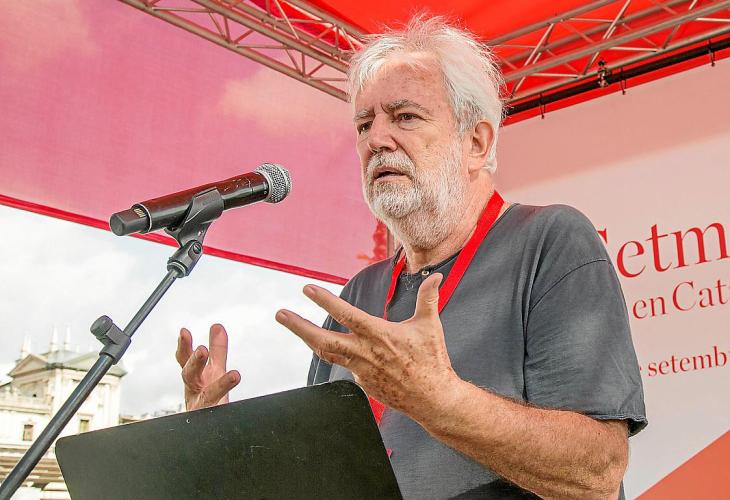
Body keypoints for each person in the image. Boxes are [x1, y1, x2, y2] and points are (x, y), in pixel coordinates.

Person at [175, 15, 647, 499]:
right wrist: (223, 446)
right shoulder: (358, 293)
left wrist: (438, 401)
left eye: (404, 116)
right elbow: (320, 477)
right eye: (364, 124)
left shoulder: (550, 241)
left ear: (476, 142)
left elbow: (597, 473)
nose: (375, 140)